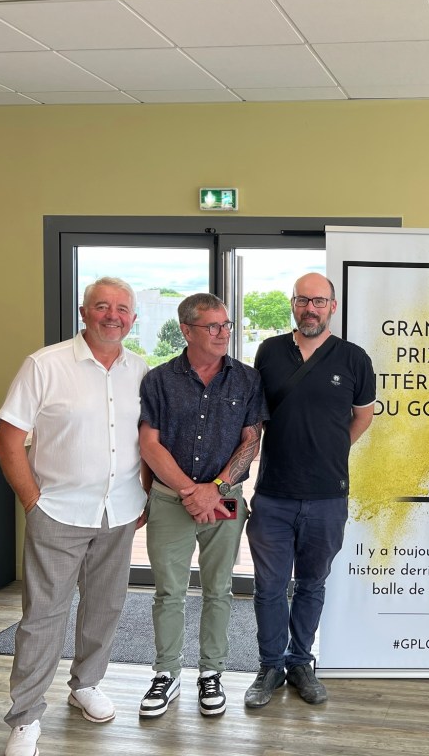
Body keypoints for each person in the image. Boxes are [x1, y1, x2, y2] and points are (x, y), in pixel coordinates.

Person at [0, 277, 148, 756]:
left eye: (122, 309)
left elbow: (145, 440)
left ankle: (87, 684)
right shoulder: (45, 365)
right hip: (57, 512)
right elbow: (8, 439)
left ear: (133, 319)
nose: (112, 316)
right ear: (84, 313)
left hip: (119, 511)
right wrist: (31, 501)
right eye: (102, 306)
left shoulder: (140, 370)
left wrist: (142, 495)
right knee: (43, 617)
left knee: (105, 606)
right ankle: (25, 717)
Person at [243, 272, 376, 709]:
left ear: (332, 306)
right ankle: (270, 666)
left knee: (312, 584)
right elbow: (256, 418)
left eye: (319, 301)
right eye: (303, 300)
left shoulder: (354, 358)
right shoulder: (269, 351)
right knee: (268, 587)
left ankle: (301, 662)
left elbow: (363, 416)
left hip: (327, 497)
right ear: (293, 304)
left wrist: (331, 451)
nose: (310, 309)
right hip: (273, 494)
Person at [137, 293, 267, 718]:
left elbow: (251, 440)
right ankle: (166, 673)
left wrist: (216, 488)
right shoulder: (159, 380)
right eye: (212, 326)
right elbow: (149, 444)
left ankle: (212, 672)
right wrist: (190, 492)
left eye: (226, 325)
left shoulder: (247, 379)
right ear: (186, 330)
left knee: (219, 590)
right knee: (168, 592)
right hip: (169, 500)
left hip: (225, 499)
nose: (222, 333)